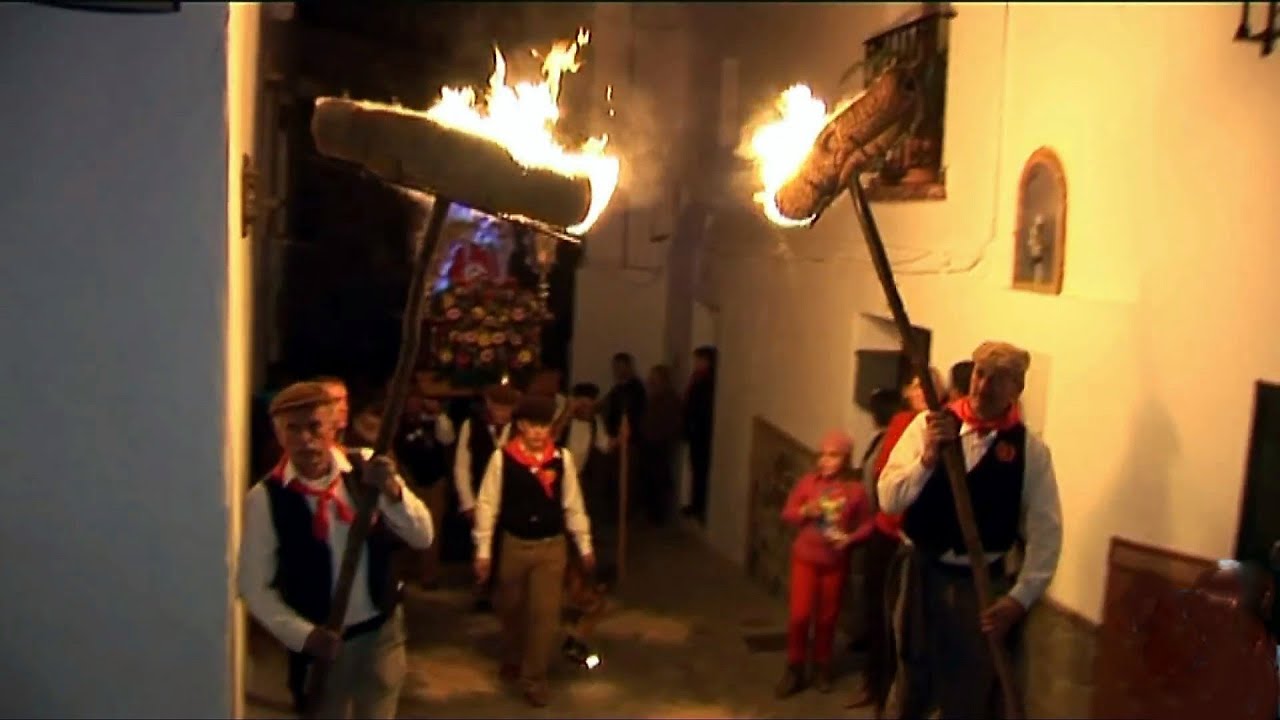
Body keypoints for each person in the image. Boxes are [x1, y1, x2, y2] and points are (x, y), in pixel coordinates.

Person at [879, 341, 1063, 718]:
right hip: (921, 571)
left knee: (968, 690)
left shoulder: (1030, 451)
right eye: (980, 373)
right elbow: (888, 499)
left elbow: (1046, 533)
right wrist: (927, 459)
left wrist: (1019, 598)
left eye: (999, 379)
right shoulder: (927, 426)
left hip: (979, 589)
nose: (984, 386)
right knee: (910, 677)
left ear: (1017, 389)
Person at [238, 382, 435, 719]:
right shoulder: (266, 498)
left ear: (333, 426)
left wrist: (392, 492)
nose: (305, 439)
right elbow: (254, 587)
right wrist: (306, 636)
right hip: (321, 648)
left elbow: (422, 536)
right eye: (293, 429)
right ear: (279, 435)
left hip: (381, 635)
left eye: (314, 426)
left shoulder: (366, 469)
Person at [473, 395, 595, 708]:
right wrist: (483, 551)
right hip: (514, 545)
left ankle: (534, 677)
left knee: (545, 614)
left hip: (551, 547)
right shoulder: (503, 459)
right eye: (532, 425)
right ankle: (515, 653)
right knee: (511, 607)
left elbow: (573, 504)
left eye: (544, 426)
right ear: (521, 426)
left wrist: (584, 545)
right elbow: (487, 505)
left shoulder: (561, 459)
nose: (539, 432)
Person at [849, 368, 943, 710]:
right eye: (916, 384)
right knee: (878, 610)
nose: (921, 390)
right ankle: (875, 682)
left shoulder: (942, 426)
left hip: (914, 539)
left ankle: (897, 691)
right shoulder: (904, 422)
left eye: (927, 384)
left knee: (907, 625)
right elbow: (882, 474)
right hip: (887, 529)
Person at [777, 430, 875, 698]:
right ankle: (795, 667)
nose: (826, 461)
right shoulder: (809, 483)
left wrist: (850, 538)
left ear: (845, 459)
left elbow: (868, 523)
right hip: (805, 558)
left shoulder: (854, 492)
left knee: (827, 618)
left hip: (834, 561)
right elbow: (787, 512)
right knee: (799, 616)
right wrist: (804, 511)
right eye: (822, 455)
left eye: (833, 456)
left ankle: (822, 666)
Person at [454, 383, 520, 610]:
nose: (502, 414)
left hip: (511, 500)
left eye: (507, 409)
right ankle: (482, 592)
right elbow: (462, 467)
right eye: (498, 408)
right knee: (482, 544)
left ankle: (505, 594)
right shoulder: (471, 426)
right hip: (481, 496)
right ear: (489, 405)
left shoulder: (520, 430)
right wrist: (468, 502)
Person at [393, 386, 457, 588]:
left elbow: (447, 438)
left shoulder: (434, 421)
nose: (411, 403)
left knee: (432, 530)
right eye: (407, 399)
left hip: (434, 482)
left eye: (415, 398)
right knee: (404, 526)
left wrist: (438, 414)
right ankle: (405, 571)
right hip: (408, 483)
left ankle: (429, 575)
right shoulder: (396, 423)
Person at [639, 364, 683, 526]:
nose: (651, 381)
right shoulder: (654, 397)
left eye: (654, 377)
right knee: (650, 478)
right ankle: (652, 513)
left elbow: (671, 422)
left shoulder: (669, 398)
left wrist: (659, 435)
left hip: (660, 443)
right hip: (651, 442)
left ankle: (658, 514)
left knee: (659, 478)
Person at [683, 346, 717, 523]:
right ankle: (695, 503)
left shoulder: (708, 382)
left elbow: (701, 407)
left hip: (702, 432)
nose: (696, 364)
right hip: (695, 431)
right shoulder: (698, 379)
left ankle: (701, 505)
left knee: (702, 470)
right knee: (696, 468)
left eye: (699, 360)